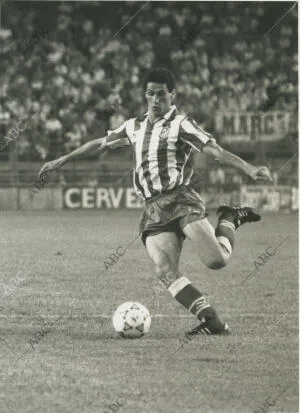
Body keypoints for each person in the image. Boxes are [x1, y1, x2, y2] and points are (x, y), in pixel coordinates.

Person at [39, 68, 272, 336]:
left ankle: (230, 219)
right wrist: (61, 160)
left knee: (217, 261)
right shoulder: (133, 126)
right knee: (164, 270)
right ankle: (211, 319)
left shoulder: (182, 124)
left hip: (181, 200)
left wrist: (250, 169)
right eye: (150, 94)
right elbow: (100, 144)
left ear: (172, 95)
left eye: (161, 94)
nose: (155, 99)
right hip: (152, 209)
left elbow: (215, 152)